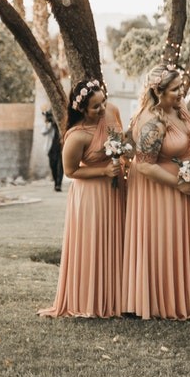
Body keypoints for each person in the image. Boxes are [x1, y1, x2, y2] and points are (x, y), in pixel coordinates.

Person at [122, 64, 190, 320]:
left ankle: (181, 296)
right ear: (159, 91)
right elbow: (145, 165)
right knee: (161, 237)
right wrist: (177, 183)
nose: (181, 92)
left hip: (180, 180)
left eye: (181, 86)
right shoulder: (152, 122)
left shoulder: (179, 109)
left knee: (177, 237)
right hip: (159, 188)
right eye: (175, 88)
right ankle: (159, 300)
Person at [39, 80, 125, 318]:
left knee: (116, 240)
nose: (102, 109)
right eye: (95, 107)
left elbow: (123, 140)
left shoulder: (113, 112)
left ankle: (118, 298)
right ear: (82, 110)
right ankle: (91, 299)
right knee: (94, 244)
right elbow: (71, 172)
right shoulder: (76, 136)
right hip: (91, 196)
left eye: (103, 102)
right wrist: (104, 171)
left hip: (117, 190)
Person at [42, 108, 64, 192]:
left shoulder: (62, 124)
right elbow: (43, 132)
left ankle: (58, 184)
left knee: (60, 167)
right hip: (51, 149)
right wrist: (48, 124)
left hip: (61, 149)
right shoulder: (49, 125)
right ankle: (56, 182)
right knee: (53, 166)